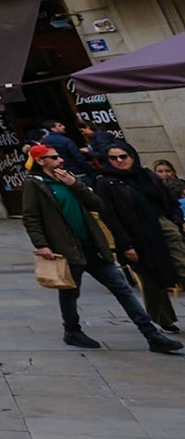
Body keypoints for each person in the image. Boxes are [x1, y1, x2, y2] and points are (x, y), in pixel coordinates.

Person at [22, 144, 182, 354]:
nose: (60, 160)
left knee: (121, 288)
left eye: (59, 156)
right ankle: (72, 330)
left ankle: (151, 334)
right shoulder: (35, 184)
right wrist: (41, 244)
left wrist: (74, 184)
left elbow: (97, 204)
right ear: (41, 161)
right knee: (70, 291)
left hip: (92, 245)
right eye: (53, 157)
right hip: (67, 248)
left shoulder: (68, 179)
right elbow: (30, 217)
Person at [94, 143, 184, 333]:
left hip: (161, 225)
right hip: (135, 233)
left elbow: (168, 199)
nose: (119, 161)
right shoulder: (106, 183)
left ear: (132, 156)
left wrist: (173, 219)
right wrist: (126, 244)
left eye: (123, 156)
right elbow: (110, 216)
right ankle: (163, 318)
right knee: (151, 275)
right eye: (113, 158)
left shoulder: (147, 176)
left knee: (181, 263)